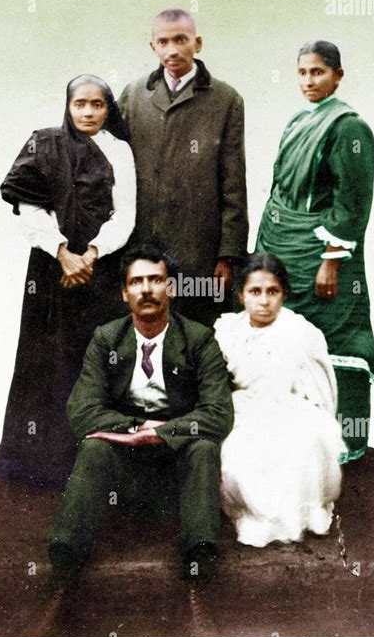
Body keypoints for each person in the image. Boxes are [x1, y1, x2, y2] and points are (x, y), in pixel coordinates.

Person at [48, 240, 234, 589]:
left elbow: (219, 412)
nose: (146, 290)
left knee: (205, 448)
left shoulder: (199, 339)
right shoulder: (107, 339)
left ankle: (200, 551)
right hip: (126, 457)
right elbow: (82, 409)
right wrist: (137, 428)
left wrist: (163, 433)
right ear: (124, 293)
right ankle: (67, 552)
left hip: (177, 458)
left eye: (155, 280)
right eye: (136, 282)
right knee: (93, 447)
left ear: (172, 288)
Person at [0, 75, 137, 489]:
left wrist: (90, 254)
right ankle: (42, 465)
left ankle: (97, 463)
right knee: (47, 358)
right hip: (51, 272)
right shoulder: (45, 143)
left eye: (97, 105)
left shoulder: (119, 151)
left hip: (100, 271)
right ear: (68, 106)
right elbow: (28, 207)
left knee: (93, 358)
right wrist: (61, 252)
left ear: (109, 109)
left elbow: (125, 214)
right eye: (80, 104)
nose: (88, 112)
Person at [256, 40, 374, 463]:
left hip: (324, 256)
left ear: (338, 76)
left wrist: (330, 260)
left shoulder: (349, 127)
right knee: (290, 341)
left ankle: (349, 443)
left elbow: (353, 201)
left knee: (341, 342)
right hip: (284, 247)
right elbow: (280, 191)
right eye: (303, 73)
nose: (309, 81)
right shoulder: (297, 121)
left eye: (319, 72)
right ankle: (301, 437)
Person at [118, 8, 249, 327]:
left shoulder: (225, 100)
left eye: (181, 39)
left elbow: (234, 183)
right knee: (144, 333)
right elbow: (108, 164)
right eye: (163, 41)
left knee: (199, 334)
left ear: (198, 43)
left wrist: (228, 255)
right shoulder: (133, 96)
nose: (172, 49)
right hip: (142, 244)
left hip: (198, 250)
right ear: (153, 47)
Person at [214, 253, 346, 547]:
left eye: (272, 292)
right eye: (255, 292)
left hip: (292, 405)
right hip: (245, 407)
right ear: (241, 296)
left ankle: (297, 515)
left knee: (300, 444)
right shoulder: (228, 332)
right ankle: (254, 517)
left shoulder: (301, 332)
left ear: (284, 294)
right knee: (240, 451)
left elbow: (321, 388)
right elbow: (217, 384)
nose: (264, 301)